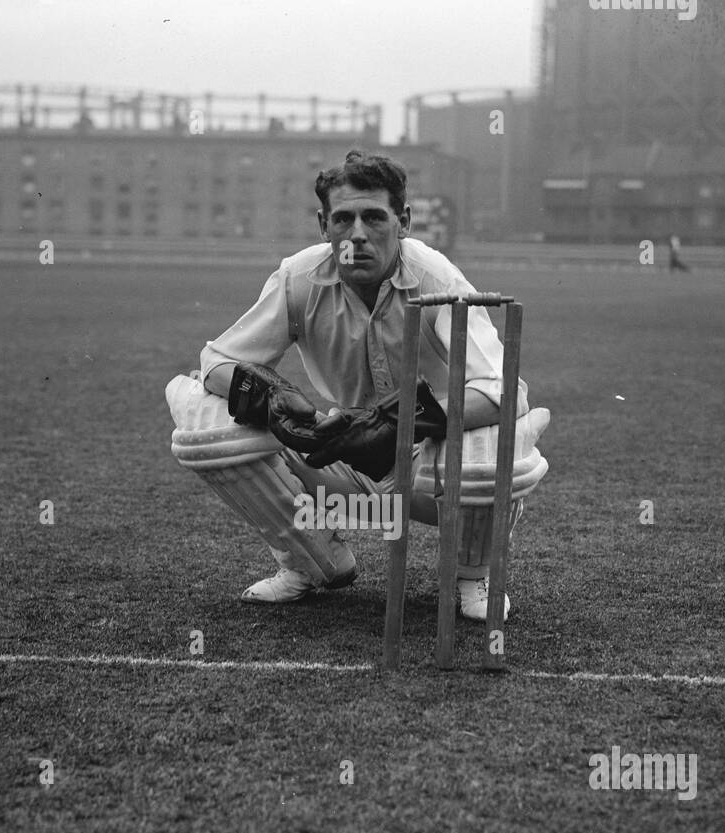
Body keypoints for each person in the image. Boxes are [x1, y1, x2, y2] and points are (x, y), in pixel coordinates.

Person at [164, 151, 549, 621]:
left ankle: (474, 572)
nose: (358, 234)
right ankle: (314, 562)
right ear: (324, 225)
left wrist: (396, 421)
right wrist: (272, 399)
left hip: (435, 470)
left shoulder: (437, 278)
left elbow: (505, 390)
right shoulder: (299, 278)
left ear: (403, 221)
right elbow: (217, 362)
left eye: (374, 217)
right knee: (204, 419)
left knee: (492, 434)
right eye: (343, 219)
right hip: (345, 456)